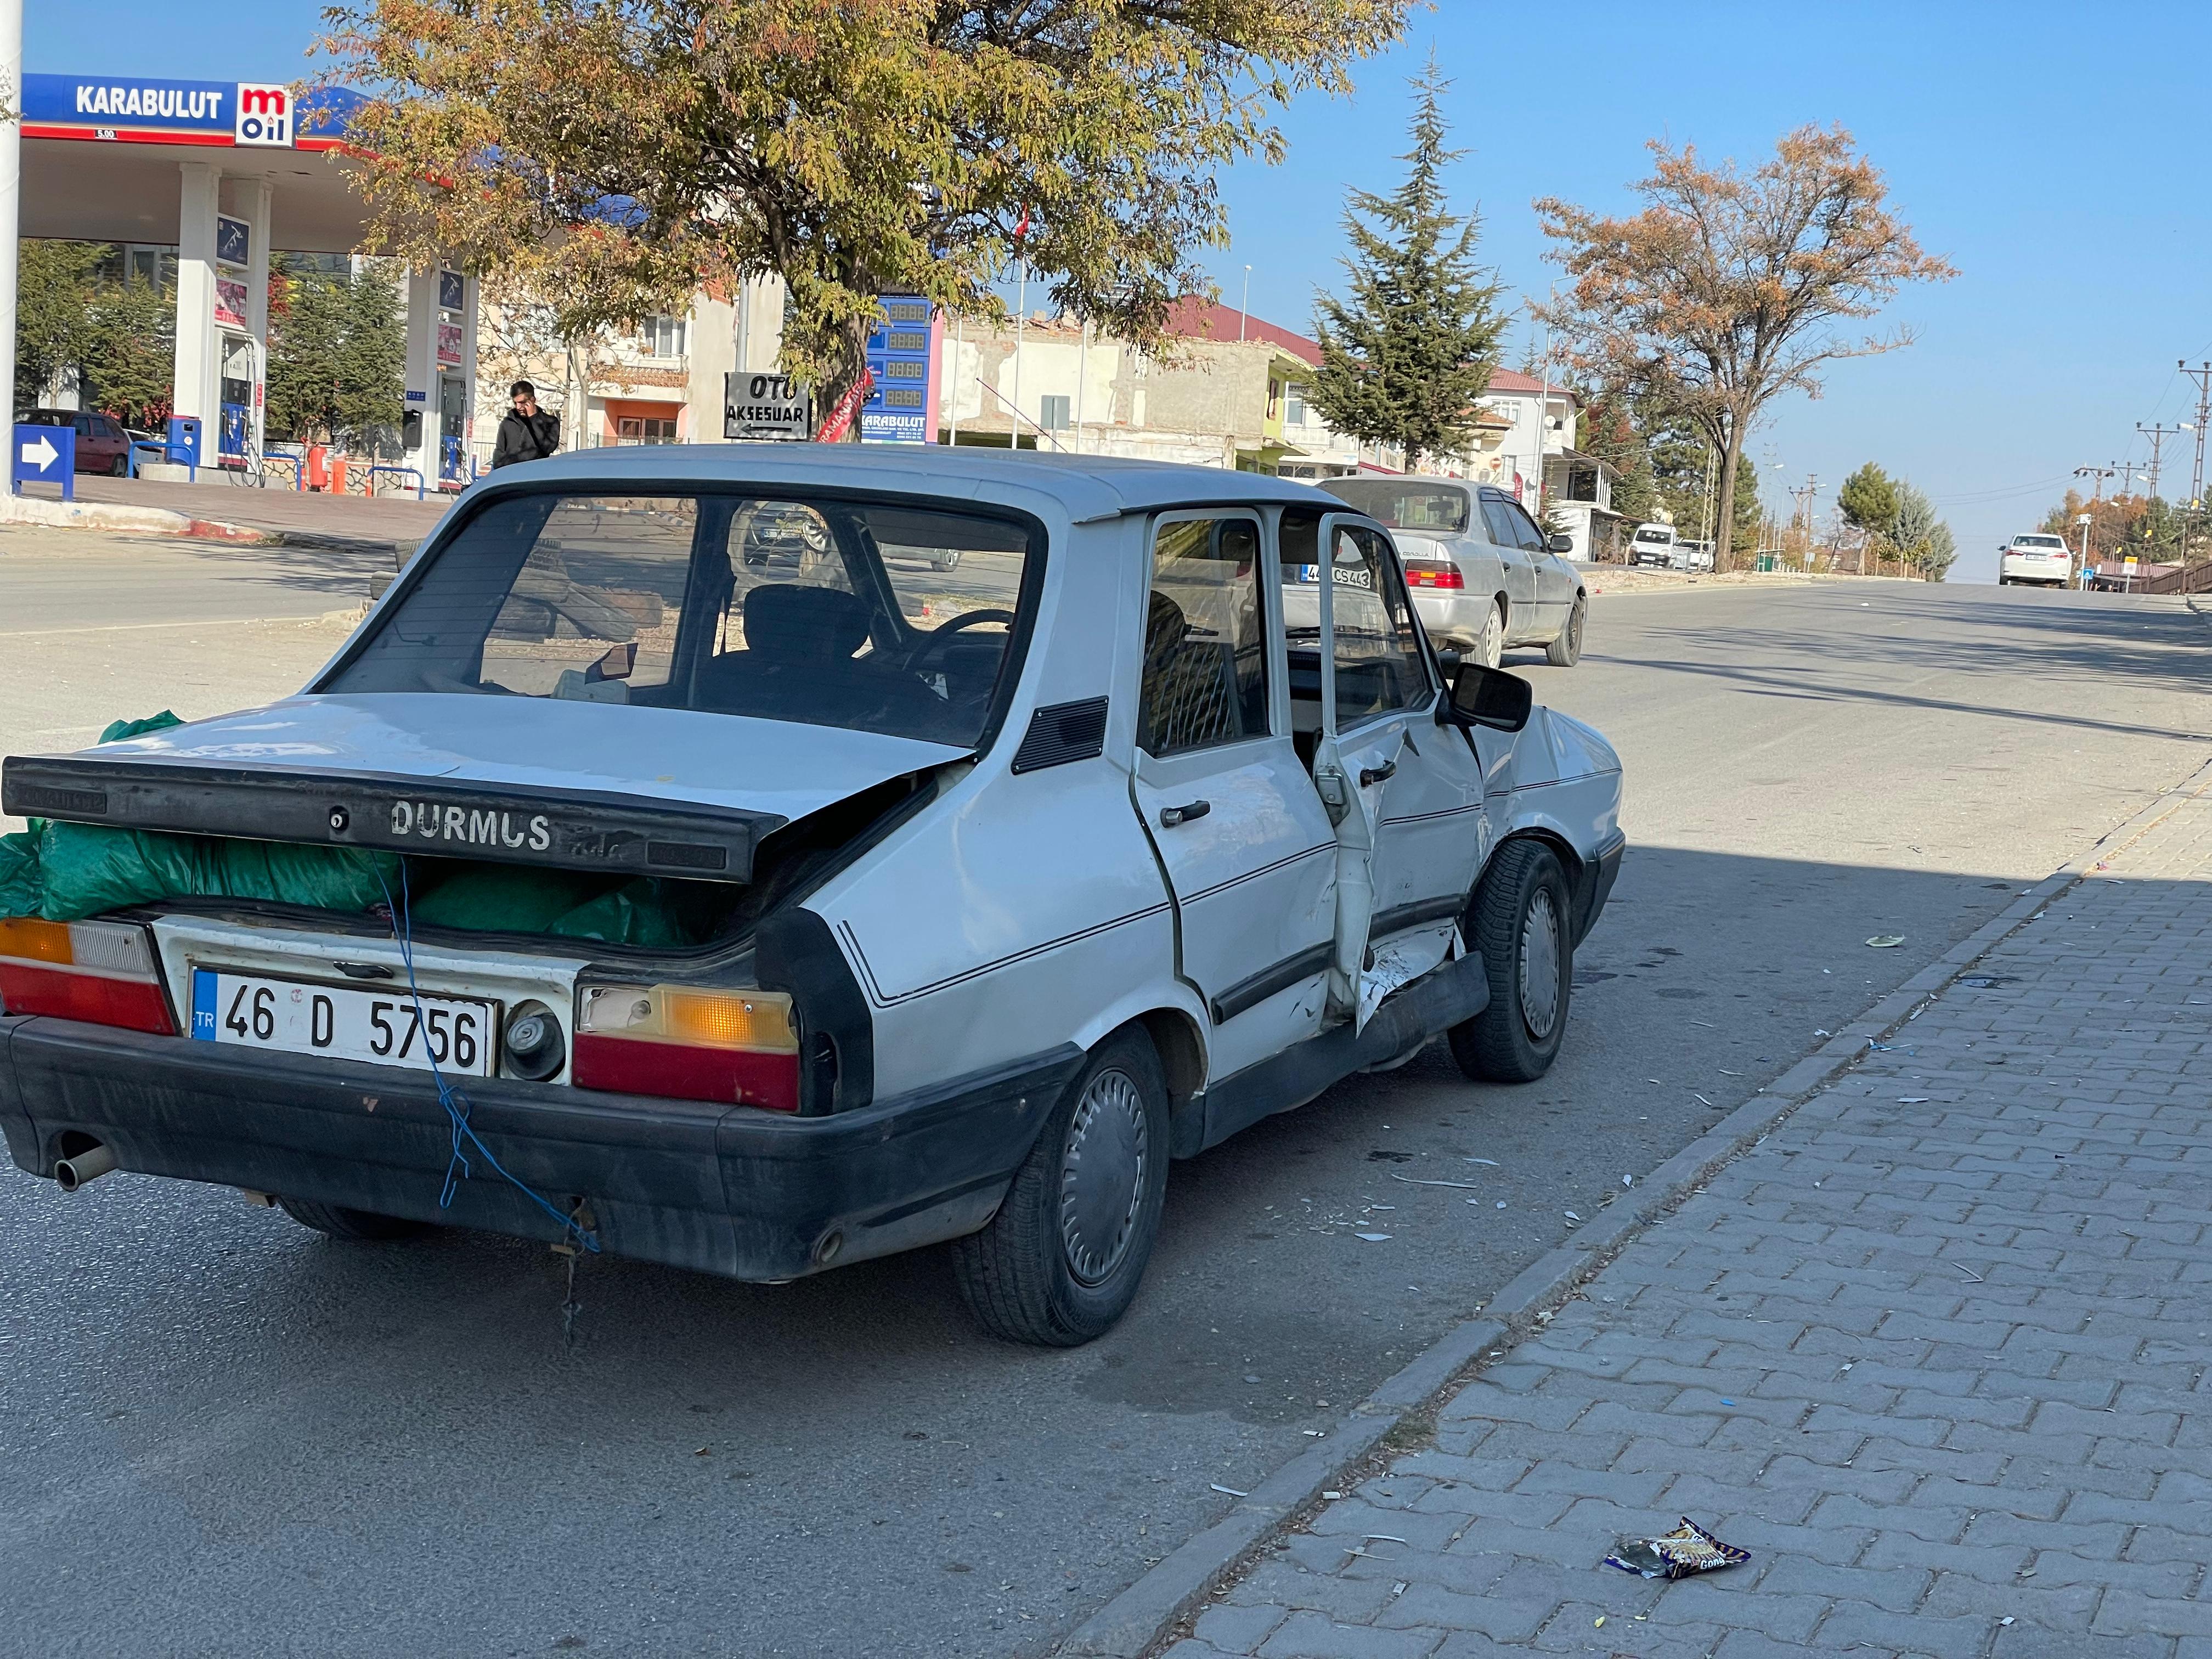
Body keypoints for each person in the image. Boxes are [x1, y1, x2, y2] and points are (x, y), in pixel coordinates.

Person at [490, 380, 560, 469]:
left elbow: (548, 448)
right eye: (515, 403)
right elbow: (498, 460)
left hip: (535, 478)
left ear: (533, 400)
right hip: (511, 477)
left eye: (522, 402)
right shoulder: (507, 424)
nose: (518, 407)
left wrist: (534, 419)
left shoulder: (550, 422)